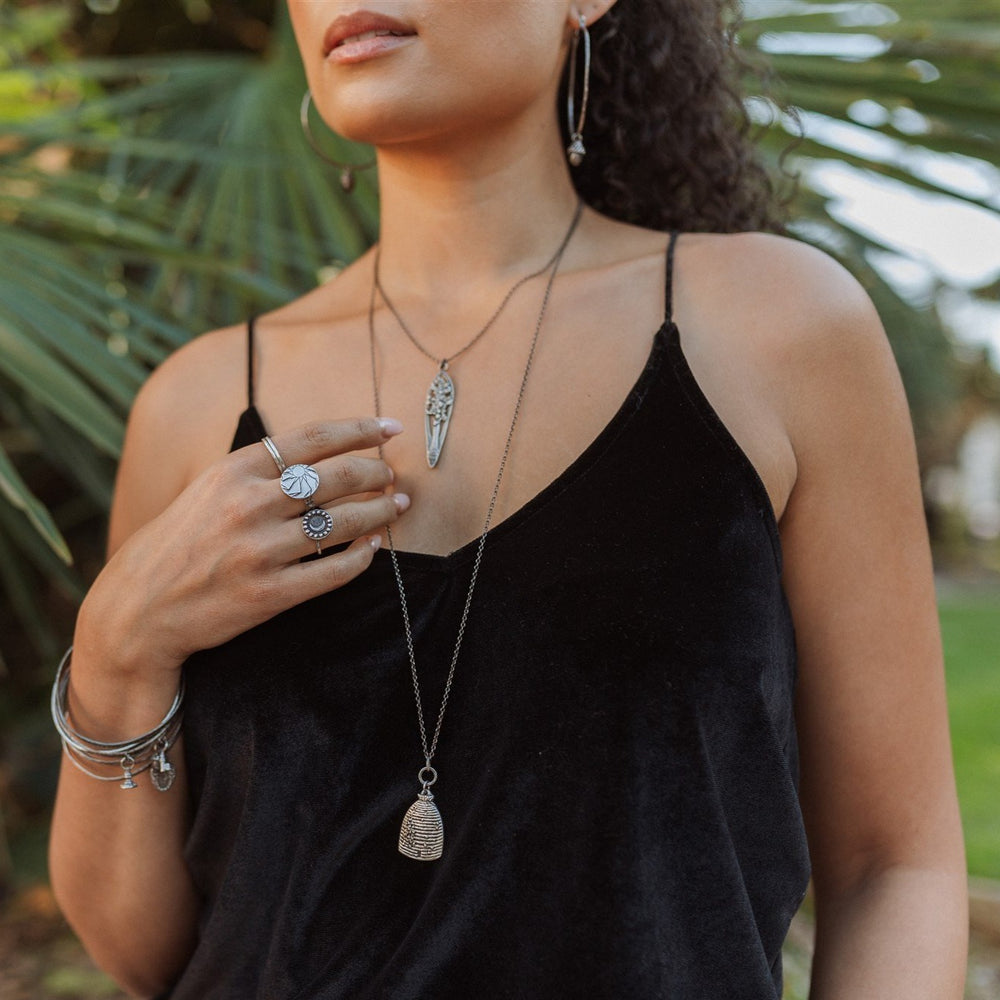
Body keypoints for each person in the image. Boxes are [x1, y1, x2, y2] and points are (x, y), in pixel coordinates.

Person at [49, 1, 969, 997]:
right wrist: (115, 651)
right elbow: (148, 952)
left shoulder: (777, 330)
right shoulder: (195, 406)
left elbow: (894, 867)